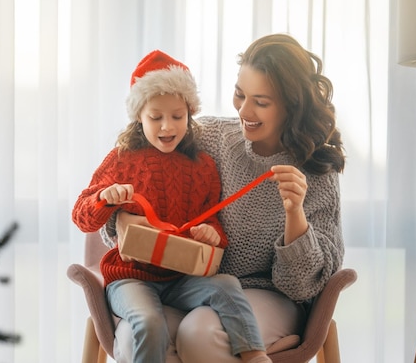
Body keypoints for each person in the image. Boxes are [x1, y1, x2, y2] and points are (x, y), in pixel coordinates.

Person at [102, 33, 346, 362]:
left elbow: (302, 287)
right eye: (239, 94)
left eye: (261, 101)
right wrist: (123, 221)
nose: (244, 110)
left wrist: (294, 214)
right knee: (135, 337)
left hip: (268, 296)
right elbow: (135, 170)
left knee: (199, 333)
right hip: (188, 285)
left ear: (291, 105)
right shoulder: (209, 137)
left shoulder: (317, 173)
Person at [72, 50, 274, 363]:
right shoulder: (121, 159)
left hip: (182, 279)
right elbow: (82, 216)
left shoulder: (203, 166)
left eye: (178, 116)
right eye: (156, 117)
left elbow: (215, 223)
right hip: (131, 279)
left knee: (226, 285)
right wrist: (103, 198)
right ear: (139, 116)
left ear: (189, 115)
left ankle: (256, 356)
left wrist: (211, 234)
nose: (168, 127)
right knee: (149, 322)